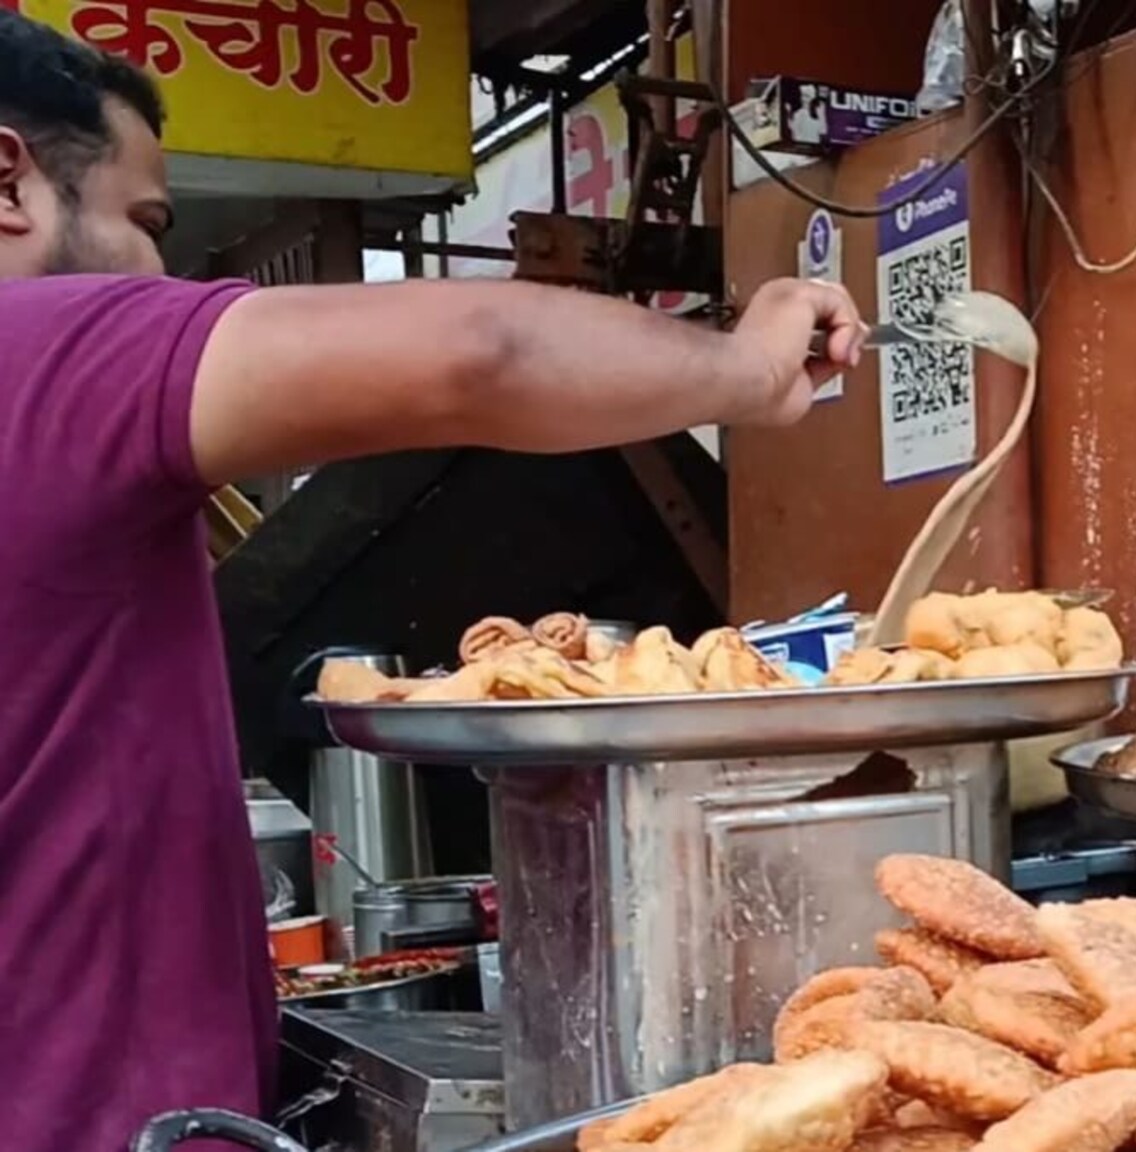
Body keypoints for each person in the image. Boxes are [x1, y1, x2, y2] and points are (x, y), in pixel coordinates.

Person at [0, 14, 866, 1150]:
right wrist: (748, 367)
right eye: (144, 223)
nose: (163, 273)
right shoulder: (34, 351)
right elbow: (480, 354)